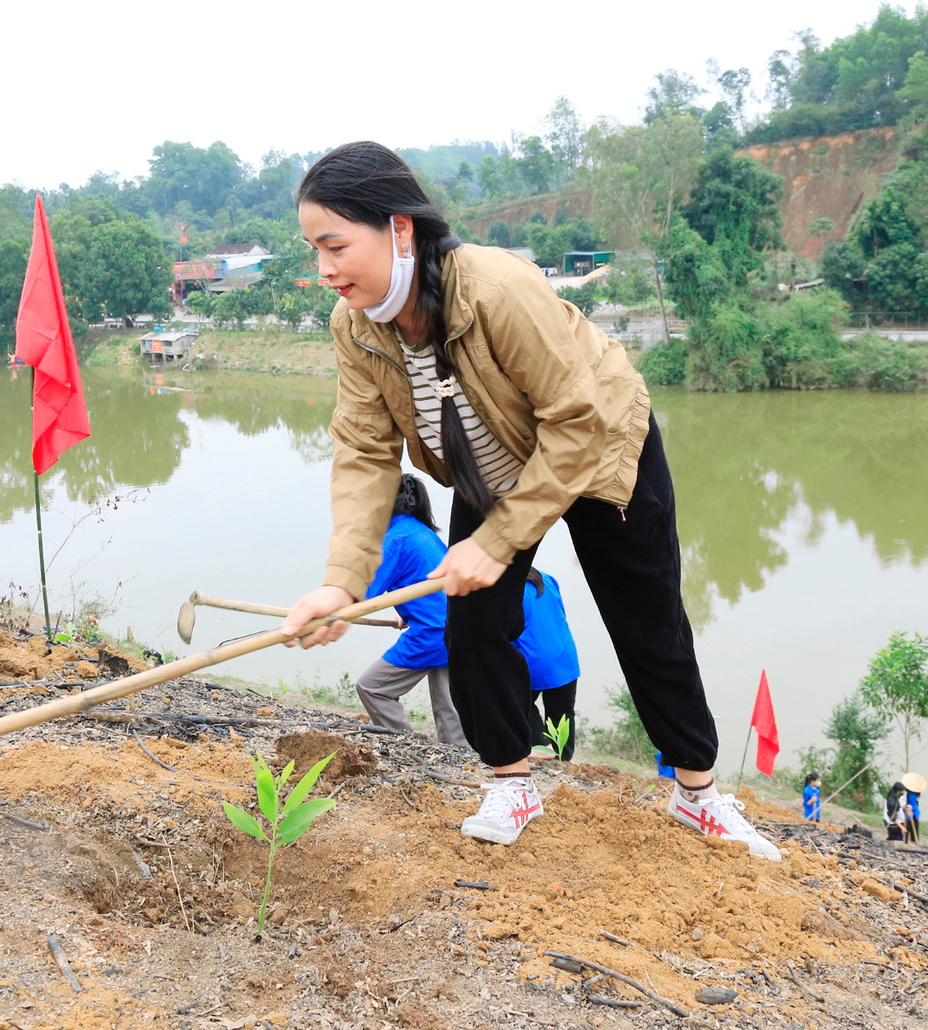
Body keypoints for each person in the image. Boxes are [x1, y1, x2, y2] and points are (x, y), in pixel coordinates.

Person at [280, 141, 780, 862]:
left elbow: (576, 422)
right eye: (313, 249)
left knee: (647, 621)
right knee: (473, 624)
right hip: (496, 470)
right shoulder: (354, 326)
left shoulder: (494, 287)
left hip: (602, 449)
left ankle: (698, 793)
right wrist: (340, 582)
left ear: (398, 228)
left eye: (335, 245)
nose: (324, 269)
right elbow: (362, 451)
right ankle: (512, 779)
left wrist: (499, 540)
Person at [355, 474, 466, 747]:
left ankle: (405, 745)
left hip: (431, 633)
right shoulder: (422, 532)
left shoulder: (395, 539)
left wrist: (329, 610)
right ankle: (460, 759)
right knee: (449, 708)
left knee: (372, 687)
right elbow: (424, 582)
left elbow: (363, 593)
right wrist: (407, 612)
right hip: (455, 626)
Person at [517, 568, 579, 762]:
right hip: (564, 653)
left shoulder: (507, 588)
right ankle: (563, 758)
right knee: (563, 714)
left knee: (519, 702)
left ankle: (540, 748)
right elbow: (560, 611)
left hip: (533, 657)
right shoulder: (546, 578)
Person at [903, 772, 926, 843]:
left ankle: (914, 841)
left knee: (913, 828)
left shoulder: (914, 793)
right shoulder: (907, 793)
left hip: (914, 811)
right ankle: (907, 841)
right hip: (909, 812)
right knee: (908, 828)